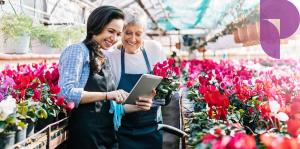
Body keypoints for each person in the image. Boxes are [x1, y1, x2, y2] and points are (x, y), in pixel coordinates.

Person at [58, 6, 153, 149]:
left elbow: (109, 108)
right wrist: (108, 94)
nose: (114, 38)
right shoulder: (78, 51)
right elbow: (66, 93)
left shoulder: (103, 57)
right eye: (110, 31)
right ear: (97, 25)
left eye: (118, 34)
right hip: (87, 136)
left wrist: (137, 106)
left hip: (107, 135)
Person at [105, 7, 168, 149]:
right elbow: (107, 102)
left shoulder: (154, 50)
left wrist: (154, 100)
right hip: (123, 131)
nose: (133, 39)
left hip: (152, 129)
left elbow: (168, 91)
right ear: (121, 33)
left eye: (138, 34)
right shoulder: (111, 57)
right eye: (128, 33)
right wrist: (128, 107)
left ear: (144, 34)